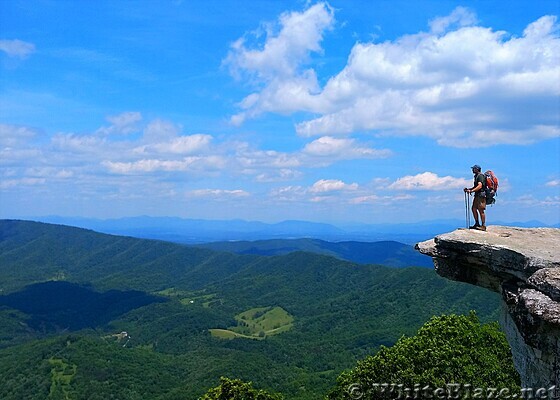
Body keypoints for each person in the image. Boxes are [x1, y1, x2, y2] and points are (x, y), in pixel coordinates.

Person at [463, 165, 486, 231]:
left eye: (473, 169)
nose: (472, 170)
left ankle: (483, 225)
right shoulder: (476, 176)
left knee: (481, 210)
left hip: (481, 195)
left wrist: (471, 191)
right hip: (478, 195)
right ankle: (477, 223)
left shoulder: (480, 176)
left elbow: (480, 186)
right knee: (474, 208)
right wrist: (469, 189)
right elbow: (476, 186)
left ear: (477, 169)